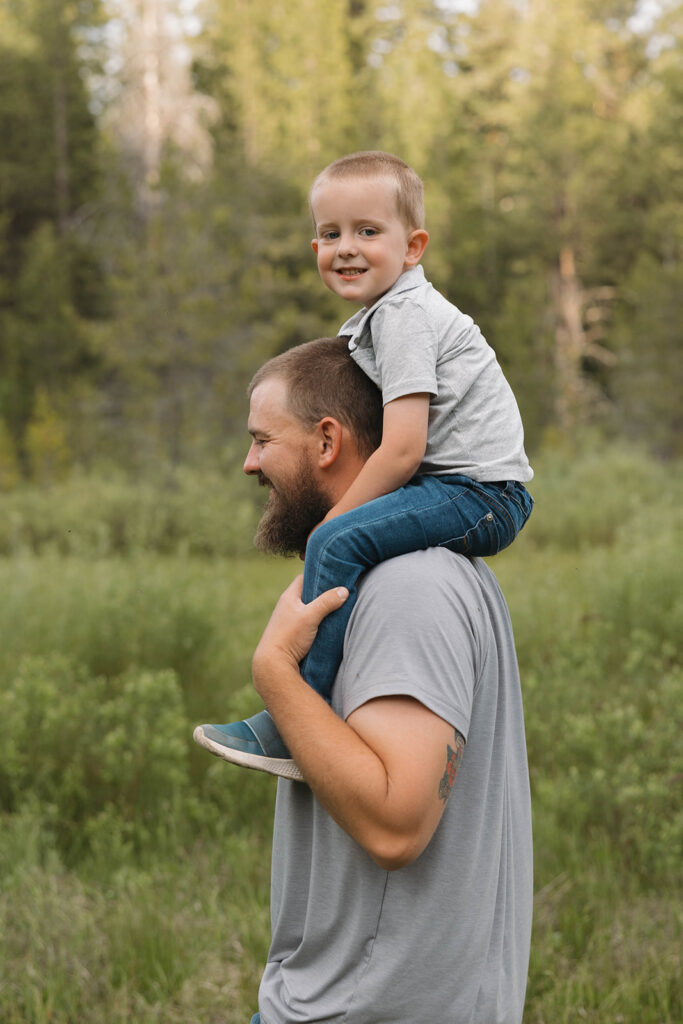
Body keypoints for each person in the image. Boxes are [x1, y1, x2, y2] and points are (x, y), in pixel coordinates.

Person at [196, 337, 533, 1023]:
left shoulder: (410, 585)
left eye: (263, 440)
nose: (248, 462)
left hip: (368, 1008)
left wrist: (275, 677)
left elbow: (394, 826)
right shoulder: (411, 569)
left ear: (327, 441)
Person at [194, 150, 534, 779]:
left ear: (414, 247)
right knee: (343, 539)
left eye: (367, 231)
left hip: (481, 492)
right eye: (330, 234)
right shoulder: (386, 317)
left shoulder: (405, 316)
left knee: (339, 538)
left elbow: (403, 450)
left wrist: (335, 523)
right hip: (464, 485)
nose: (345, 248)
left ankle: (300, 717)